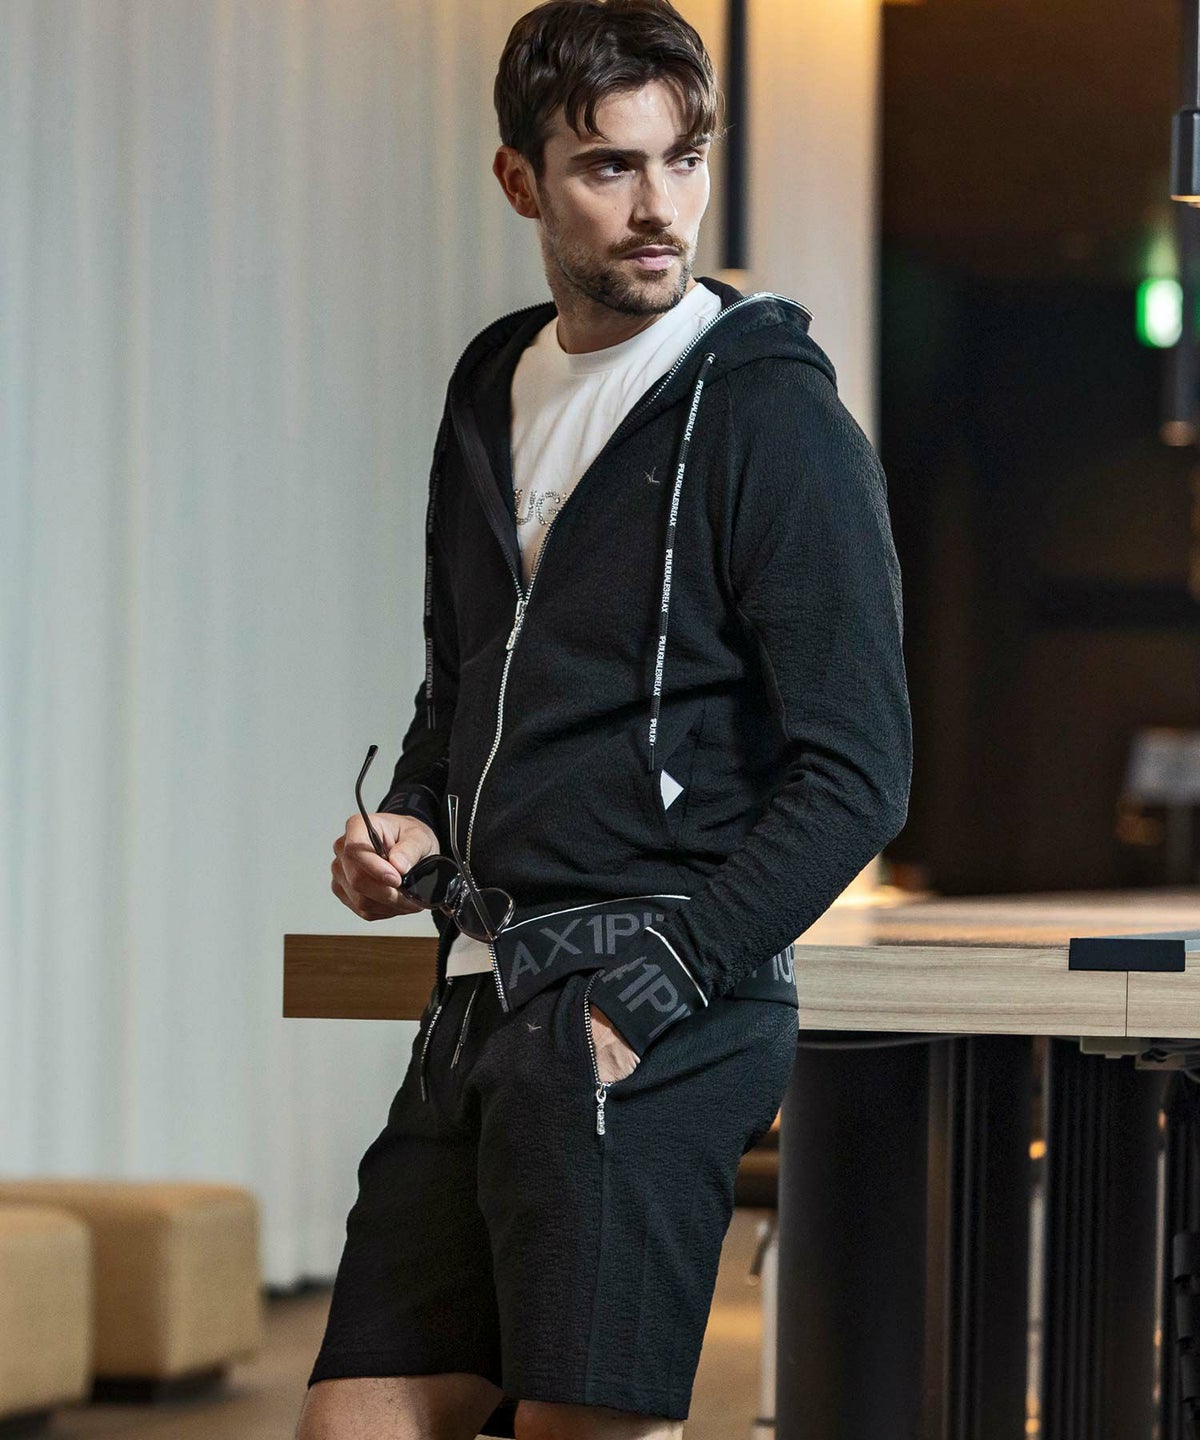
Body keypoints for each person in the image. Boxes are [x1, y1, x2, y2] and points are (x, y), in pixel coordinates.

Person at [297, 1, 912, 1437]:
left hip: (647, 1003)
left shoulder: (773, 419)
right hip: (475, 996)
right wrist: (415, 821)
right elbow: (463, 692)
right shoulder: (488, 387)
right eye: (608, 167)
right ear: (520, 181)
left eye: (682, 160)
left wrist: (656, 986)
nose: (658, 209)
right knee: (353, 1421)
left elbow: (859, 773)